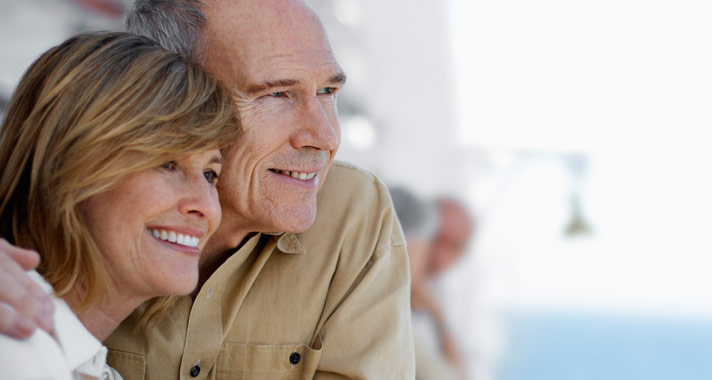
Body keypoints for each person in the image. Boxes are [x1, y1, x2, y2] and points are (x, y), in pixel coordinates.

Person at [0, 0, 415, 378]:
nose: (324, 136)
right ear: (164, 90)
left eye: (328, 91)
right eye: (276, 94)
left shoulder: (352, 212)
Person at [0, 31, 240, 379]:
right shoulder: (15, 350)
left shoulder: (82, 364)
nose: (206, 207)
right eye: (167, 163)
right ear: (67, 164)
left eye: (209, 174)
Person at [390, 188, 471, 380]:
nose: (439, 254)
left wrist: (438, 315)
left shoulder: (434, 294)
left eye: (453, 247)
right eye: (437, 239)